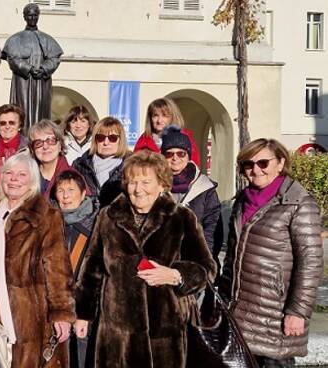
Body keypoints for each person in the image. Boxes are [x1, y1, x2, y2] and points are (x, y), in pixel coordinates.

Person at [75, 150, 217, 368]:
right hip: (117, 332)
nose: (138, 189)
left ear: (162, 184)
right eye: (132, 182)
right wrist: (83, 314)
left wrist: (176, 275)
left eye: (145, 181)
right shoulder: (108, 216)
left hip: (166, 331)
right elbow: (92, 269)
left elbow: (207, 268)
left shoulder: (181, 218)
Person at [217, 139, 323, 368]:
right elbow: (233, 258)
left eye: (263, 162)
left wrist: (298, 312)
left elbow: (310, 263)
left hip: (275, 315)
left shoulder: (298, 203)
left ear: (280, 163)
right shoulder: (241, 201)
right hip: (239, 314)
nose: (256, 169)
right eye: (248, 164)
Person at [0, 153, 75, 368]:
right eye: (9, 173)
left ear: (32, 181)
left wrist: (61, 314)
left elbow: (57, 268)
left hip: (27, 315)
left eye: (21, 175)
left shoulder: (46, 215)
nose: (13, 179)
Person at [49, 169, 99, 368]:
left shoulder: (95, 224)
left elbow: (96, 273)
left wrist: (85, 313)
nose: (66, 196)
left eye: (71, 190)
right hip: (55, 308)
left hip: (84, 308)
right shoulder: (49, 222)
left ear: (84, 193)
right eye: (61, 190)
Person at [2, 3, 63, 131]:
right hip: (22, 81)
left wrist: (44, 69)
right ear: (24, 17)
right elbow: (12, 58)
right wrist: (28, 68)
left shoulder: (46, 39)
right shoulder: (15, 39)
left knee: (41, 111)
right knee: (21, 109)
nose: (32, 18)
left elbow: (55, 58)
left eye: (35, 15)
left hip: (42, 82)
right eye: (29, 16)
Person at [161, 125, 221, 255]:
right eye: (169, 154)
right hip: (162, 262)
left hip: (194, 261)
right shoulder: (155, 185)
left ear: (188, 156)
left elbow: (212, 231)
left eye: (181, 153)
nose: (175, 158)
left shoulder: (205, 188)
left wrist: (204, 262)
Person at [72, 117, 130, 207]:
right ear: (95, 140)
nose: (106, 143)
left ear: (120, 140)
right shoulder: (79, 166)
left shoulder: (131, 166)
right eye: (101, 137)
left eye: (112, 138)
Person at [134, 98, 200, 165]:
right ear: (150, 118)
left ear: (172, 117)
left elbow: (193, 165)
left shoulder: (184, 137)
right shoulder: (143, 140)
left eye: (164, 115)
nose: (159, 120)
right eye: (155, 116)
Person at [0, 104, 29, 185]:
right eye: (3, 123)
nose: (7, 126)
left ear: (20, 126)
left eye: (12, 123)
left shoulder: (30, 151)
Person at [29, 119, 71, 198]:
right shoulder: (27, 176)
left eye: (51, 141)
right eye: (38, 143)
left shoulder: (73, 176)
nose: (45, 146)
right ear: (33, 149)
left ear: (60, 145)